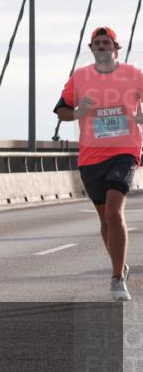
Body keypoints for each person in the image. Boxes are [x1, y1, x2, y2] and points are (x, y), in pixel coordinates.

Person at [54, 26, 142, 302]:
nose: (102, 46)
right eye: (97, 43)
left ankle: (116, 279)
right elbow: (61, 110)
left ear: (117, 48)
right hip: (91, 156)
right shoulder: (79, 78)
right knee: (105, 219)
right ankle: (121, 266)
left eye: (107, 43)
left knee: (115, 212)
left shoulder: (134, 74)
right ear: (91, 49)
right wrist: (79, 111)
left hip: (125, 152)